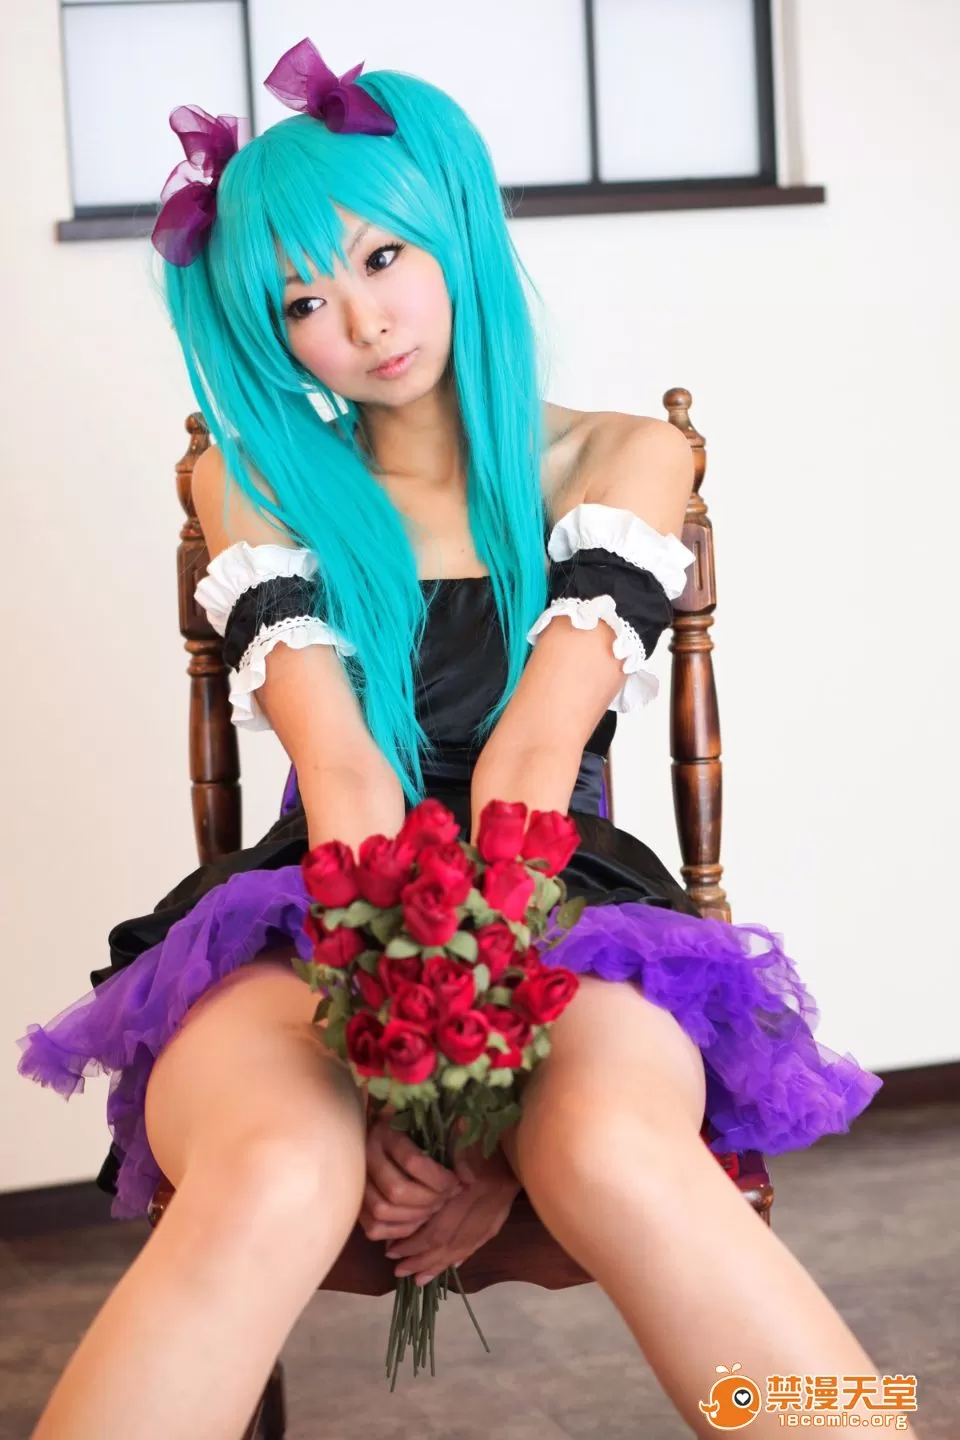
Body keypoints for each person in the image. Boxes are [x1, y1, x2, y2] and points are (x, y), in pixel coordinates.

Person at [16, 40, 907, 1440]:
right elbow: (348, 775)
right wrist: (400, 1077)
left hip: (563, 892)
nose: (362, 321)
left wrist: (484, 1115)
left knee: (608, 1148)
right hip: (318, 895)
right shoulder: (252, 479)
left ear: (454, 227)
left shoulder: (624, 458)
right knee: (280, 1169)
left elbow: (528, 765)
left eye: (383, 257)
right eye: (303, 300)